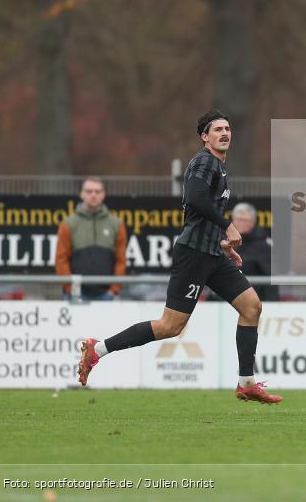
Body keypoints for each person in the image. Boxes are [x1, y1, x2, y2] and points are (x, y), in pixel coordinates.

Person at [78, 110, 282, 404]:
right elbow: (196, 200)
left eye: (228, 129)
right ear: (204, 137)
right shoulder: (204, 161)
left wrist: (223, 243)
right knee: (170, 326)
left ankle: (246, 383)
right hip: (194, 255)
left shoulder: (220, 168)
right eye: (217, 130)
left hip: (213, 253)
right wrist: (228, 225)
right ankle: (97, 350)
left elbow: (201, 212)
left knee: (251, 307)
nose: (225, 133)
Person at [55, 177, 127, 301]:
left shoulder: (116, 224)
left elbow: (121, 260)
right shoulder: (68, 224)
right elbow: (61, 259)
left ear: (103, 194)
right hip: (76, 295)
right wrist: (70, 288)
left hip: (108, 296)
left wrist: (114, 289)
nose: (93, 195)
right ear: (82, 194)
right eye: (89, 191)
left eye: (97, 191)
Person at [230, 202, 278, 302]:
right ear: (233, 221)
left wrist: (271, 305)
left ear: (253, 222)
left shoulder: (262, 245)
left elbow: (270, 277)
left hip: (252, 301)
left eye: (245, 220)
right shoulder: (225, 241)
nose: (241, 223)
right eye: (238, 219)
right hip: (222, 300)